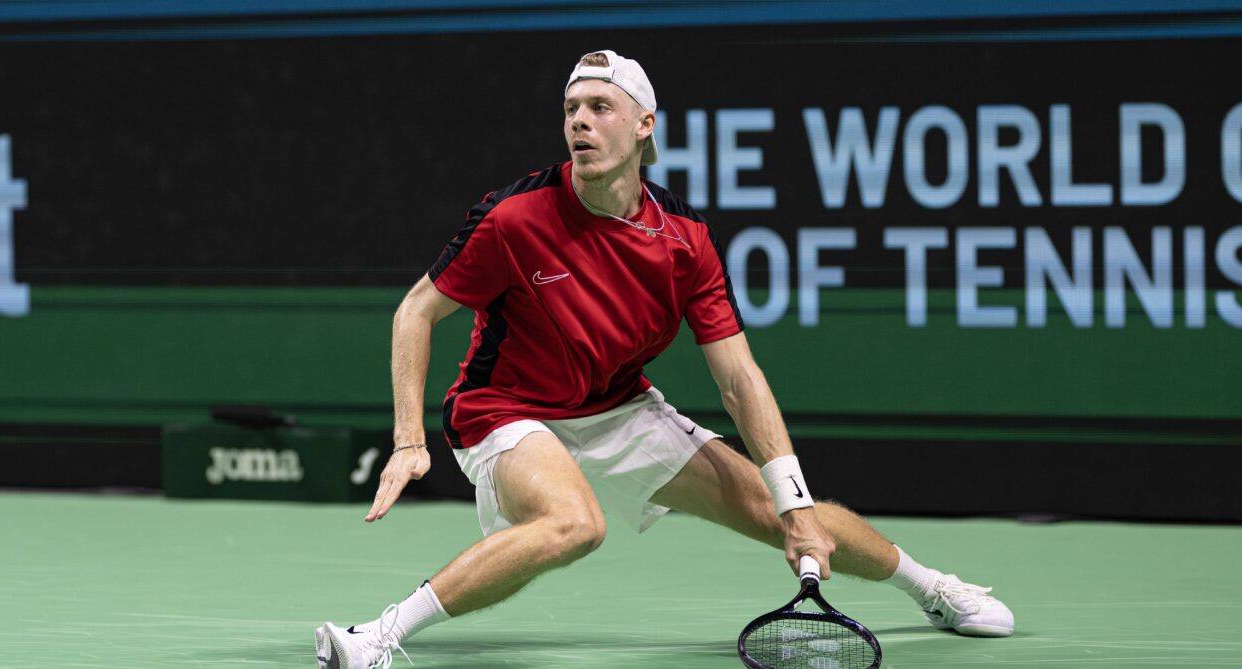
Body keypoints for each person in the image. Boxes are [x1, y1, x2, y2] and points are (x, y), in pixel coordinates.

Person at [316, 49, 1014, 669]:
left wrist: (794, 500)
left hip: (619, 408)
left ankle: (934, 589)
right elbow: (416, 309)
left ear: (645, 124)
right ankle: (378, 636)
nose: (580, 122)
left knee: (780, 511)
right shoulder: (515, 216)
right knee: (575, 522)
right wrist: (409, 439)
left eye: (599, 107)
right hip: (507, 408)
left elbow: (739, 376)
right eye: (570, 109)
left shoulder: (685, 240)